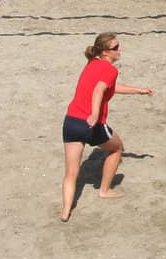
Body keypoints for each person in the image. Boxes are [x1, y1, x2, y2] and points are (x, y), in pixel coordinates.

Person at [59, 33, 155, 222]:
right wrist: (95, 114)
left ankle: (65, 211)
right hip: (91, 124)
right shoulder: (110, 69)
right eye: (115, 47)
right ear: (105, 52)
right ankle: (104, 191)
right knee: (117, 148)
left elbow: (109, 87)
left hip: (71, 121)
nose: (120, 50)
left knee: (71, 172)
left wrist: (138, 90)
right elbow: (99, 90)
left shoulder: (91, 64)